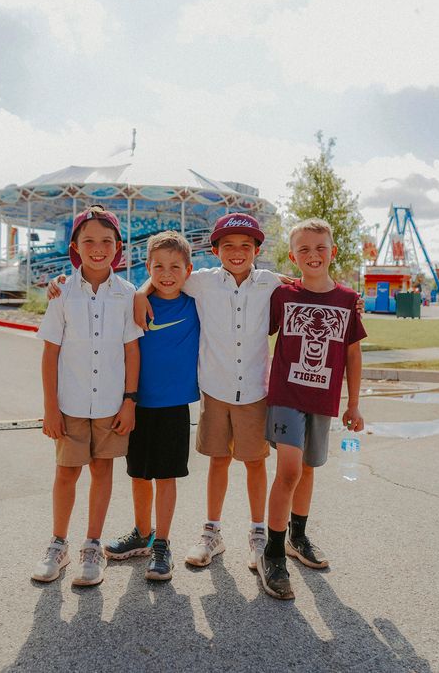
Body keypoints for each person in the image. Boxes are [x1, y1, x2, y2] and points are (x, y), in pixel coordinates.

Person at [135, 213, 285, 572]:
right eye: (228, 246)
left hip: (253, 390)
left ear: (257, 250)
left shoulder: (270, 282)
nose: (237, 252)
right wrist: (141, 292)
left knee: (254, 463)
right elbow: (164, 276)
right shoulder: (200, 282)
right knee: (217, 461)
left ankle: (258, 534)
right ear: (215, 249)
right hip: (216, 390)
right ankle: (212, 533)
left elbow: (306, 287)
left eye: (245, 246)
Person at [31, 205, 142, 586]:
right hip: (71, 403)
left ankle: (92, 547)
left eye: (107, 241)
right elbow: (51, 352)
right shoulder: (62, 293)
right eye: (89, 241)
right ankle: (58, 545)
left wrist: (130, 401)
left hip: (111, 404)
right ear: (76, 246)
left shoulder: (127, 293)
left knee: (102, 471)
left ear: (118, 246)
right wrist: (50, 408)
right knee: (65, 474)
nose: (98, 248)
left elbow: (131, 351)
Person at [257, 218, 366, 600]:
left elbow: (353, 353)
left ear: (333, 251)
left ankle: (297, 537)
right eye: (303, 249)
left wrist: (353, 403)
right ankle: (271, 553)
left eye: (320, 247)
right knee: (287, 470)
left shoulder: (348, 300)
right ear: (292, 256)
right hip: (286, 395)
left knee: (307, 468)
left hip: (324, 400)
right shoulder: (282, 296)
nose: (313, 255)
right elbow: (251, 322)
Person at [104, 231, 200, 581]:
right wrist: (143, 291)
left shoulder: (195, 304)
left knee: (166, 476)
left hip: (175, 407)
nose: (167, 273)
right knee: (139, 474)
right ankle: (142, 533)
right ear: (147, 268)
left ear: (188, 270)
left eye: (175, 266)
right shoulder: (135, 302)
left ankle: (162, 542)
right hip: (138, 404)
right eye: (158, 266)